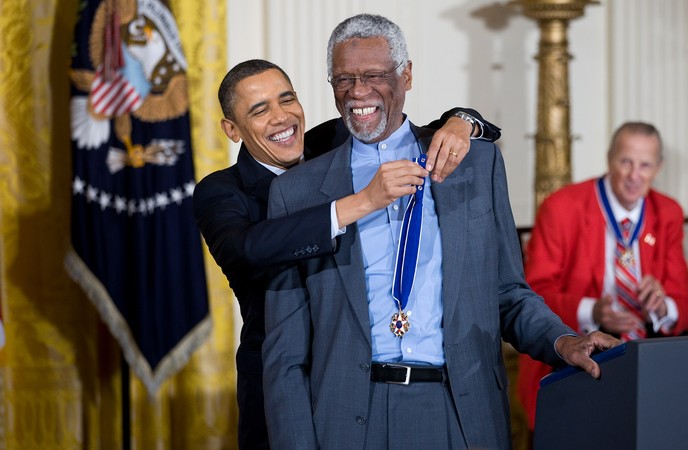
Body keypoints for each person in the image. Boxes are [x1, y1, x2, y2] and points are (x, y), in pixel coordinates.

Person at [262, 13, 620, 449]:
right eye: (344, 79)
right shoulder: (296, 193)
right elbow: (285, 355)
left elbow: (508, 293)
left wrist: (563, 341)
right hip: (347, 420)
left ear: (406, 75)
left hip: (459, 411)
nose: (358, 92)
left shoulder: (475, 165)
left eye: (374, 75)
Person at [192, 58, 501, 449]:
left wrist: (463, 121)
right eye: (259, 110)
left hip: (366, 383)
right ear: (232, 130)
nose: (281, 117)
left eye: (287, 99)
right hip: (283, 388)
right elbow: (247, 248)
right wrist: (363, 201)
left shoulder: (332, 141)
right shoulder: (220, 191)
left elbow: (414, 131)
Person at [516, 121, 688, 434]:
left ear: (658, 167)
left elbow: (683, 306)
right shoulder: (562, 207)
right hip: (576, 352)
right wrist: (592, 310)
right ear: (610, 158)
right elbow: (533, 295)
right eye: (626, 162)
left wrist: (662, 305)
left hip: (647, 353)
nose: (634, 175)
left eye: (645, 165)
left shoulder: (668, 212)